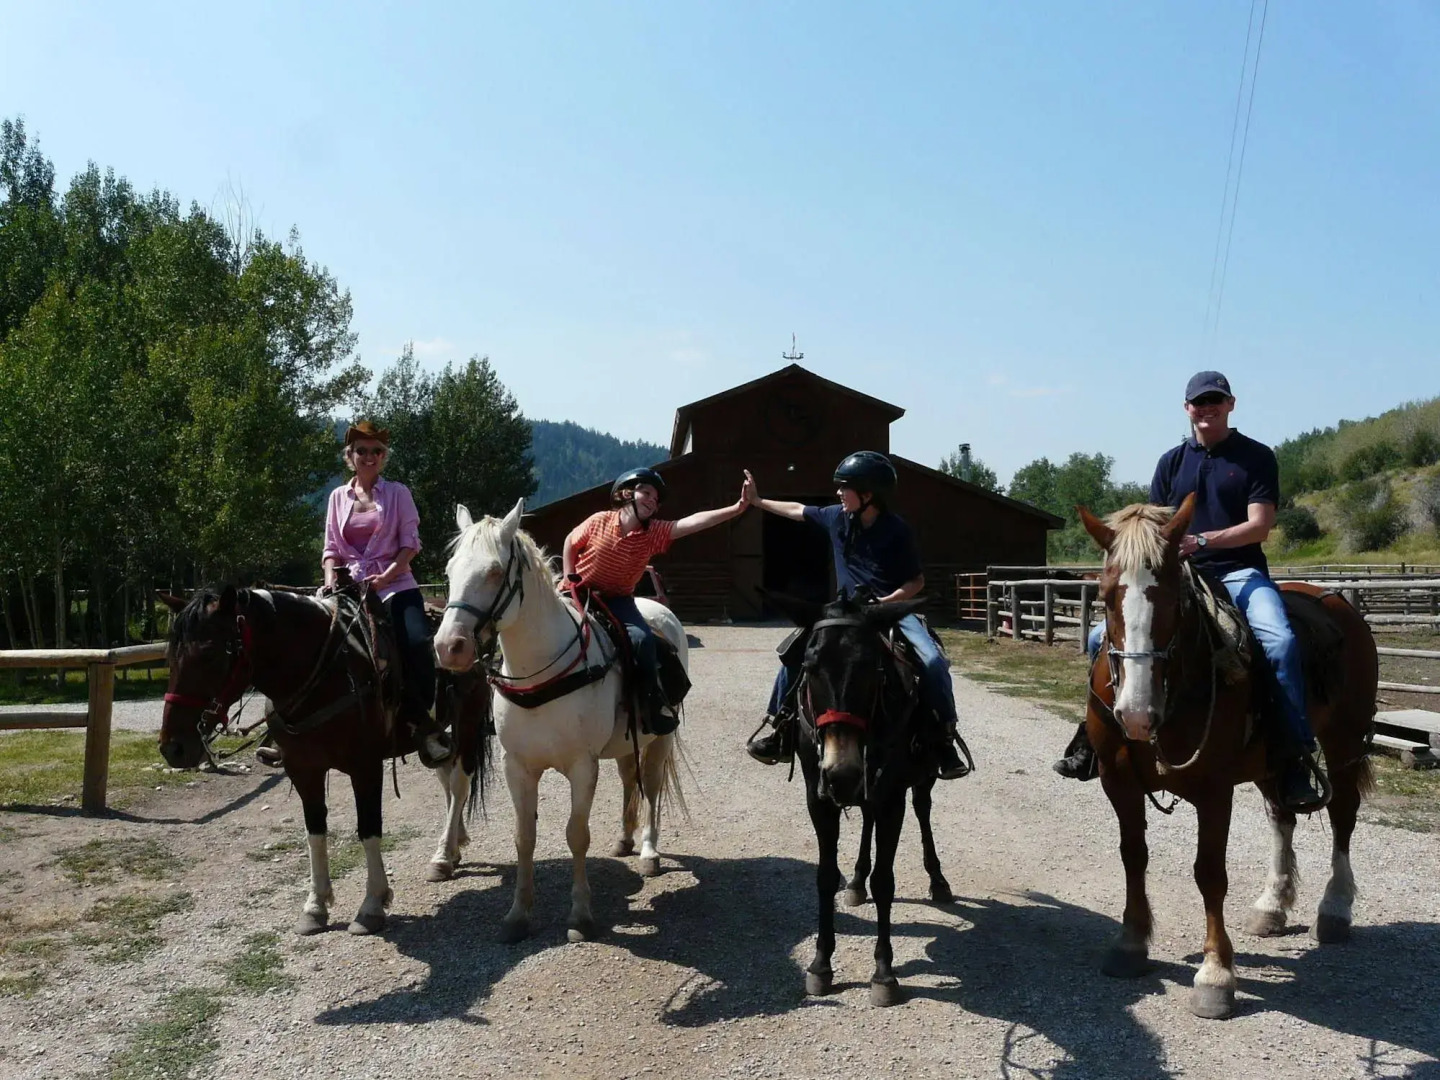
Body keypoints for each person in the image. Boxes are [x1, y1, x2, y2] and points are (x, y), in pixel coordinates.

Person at [1053, 371, 1327, 812]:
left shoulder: (1256, 457)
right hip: (1179, 575)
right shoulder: (1171, 462)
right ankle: (1091, 738)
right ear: (1187, 409)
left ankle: (1294, 755)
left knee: (1279, 640)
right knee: (1096, 639)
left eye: (1215, 400)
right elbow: (1150, 527)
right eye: (1199, 402)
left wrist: (1202, 540)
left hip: (1239, 572)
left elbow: (1260, 525)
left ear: (1231, 404)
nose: (1207, 408)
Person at [743, 451, 970, 780]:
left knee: (933, 663)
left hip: (889, 611)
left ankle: (944, 741)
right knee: (795, 651)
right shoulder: (837, 518)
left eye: (844, 487)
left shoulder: (897, 531)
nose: (837, 493)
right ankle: (780, 729)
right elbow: (796, 511)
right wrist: (758, 501)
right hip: (845, 612)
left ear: (868, 494)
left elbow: (916, 581)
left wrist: (889, 600)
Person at [258, 420, 450, 768]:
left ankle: (423, 724)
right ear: (350, 456)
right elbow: (331, 547)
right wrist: (330, 577)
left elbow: (410, 544)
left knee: (416, 640)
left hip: (394, 586)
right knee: (305, 642)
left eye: (376, 451)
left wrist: (386, 576)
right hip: (345, 588)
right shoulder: (337, 497)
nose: (369, 456)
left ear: (383, 456)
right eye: (362, 450)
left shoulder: (398, 494)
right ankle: (286, 731)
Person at [563, 467, 749, 733]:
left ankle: (649, 707)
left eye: (656, 498)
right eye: (646, 492)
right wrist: (570, 577)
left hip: (618, 600)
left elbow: (694, 522)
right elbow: (571, 541)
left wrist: (736, 508)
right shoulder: (599, 521)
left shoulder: (654, 533)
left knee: (642, 640)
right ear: (626, 493)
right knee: (534, 622)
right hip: (577, 592)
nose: (653, 500)